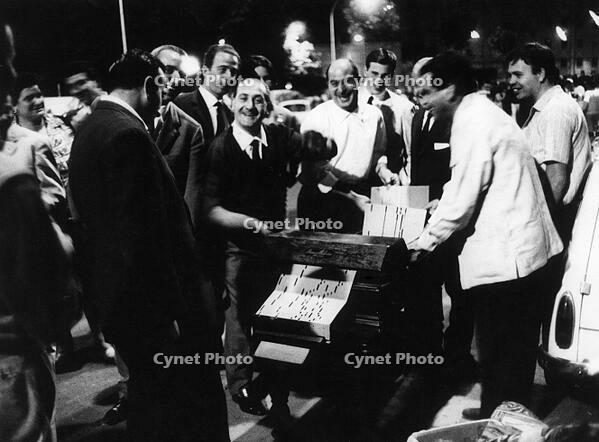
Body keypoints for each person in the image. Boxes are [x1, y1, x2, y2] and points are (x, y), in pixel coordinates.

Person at [68, 49, 229, 441]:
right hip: (150, 310)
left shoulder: (90, 127)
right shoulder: (127, 134)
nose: (165, 94)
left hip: (118, 302)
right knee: (169, 405)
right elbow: (139, 238)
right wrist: (167, 310)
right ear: (146, 85)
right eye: (161, 86)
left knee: (148, 398)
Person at [409, 52, 563, 419]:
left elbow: (462, 199)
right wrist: (441, 206)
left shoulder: (472, 122)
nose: (422, 100)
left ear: (449, 88)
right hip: (523, 257)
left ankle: (500, 423)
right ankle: (500, 414)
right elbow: (469, 184)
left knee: (500, 351)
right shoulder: (484, 112)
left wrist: (422, 244)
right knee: (510, 353)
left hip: (509, 263)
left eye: (427, 91)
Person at [201, 77, 335, 427]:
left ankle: (280, 393)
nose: (250, 106)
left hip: (276, 246)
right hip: (241, 248)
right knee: (241, 317)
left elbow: (319, 151)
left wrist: (319, 144)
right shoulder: (221, 148)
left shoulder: (276, 137)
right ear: (231, 102)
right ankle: (242, 384)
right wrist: (249, 223)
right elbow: (211, 209)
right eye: (243, 98)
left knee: (279, 319)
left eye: (258, 100)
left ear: (267, 105)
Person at [0, 20, 72, 442]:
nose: (12, 72)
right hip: (12, 362)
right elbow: (52, 302)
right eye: (5, 60)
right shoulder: (12, 173)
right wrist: (59, 244)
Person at [297, 58, 387, 233]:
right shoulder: (316, 117)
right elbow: (313, 171)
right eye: (334, 83)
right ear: (328, 85)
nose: (341, 89)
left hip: (361, 197)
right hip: (322, 199)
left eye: (347, 81)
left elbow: (378, 154)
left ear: (358, 81)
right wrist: (350, 197)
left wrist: (383, 169)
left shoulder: (374, 115)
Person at [359, 48, 414, 185]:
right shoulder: (353, 103)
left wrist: (406, 182)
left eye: (385, 75)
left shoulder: (404, 107)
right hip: (357, 183)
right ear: (365, 71)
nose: (379, 80)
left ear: (392, 75)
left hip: (391, 184)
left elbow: (410, 152)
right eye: (374, 73)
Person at [242, 54, 299, 129]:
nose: (262, 84)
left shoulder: (288, 117)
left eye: (266, 79)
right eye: (256, 78)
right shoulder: (239, 116)